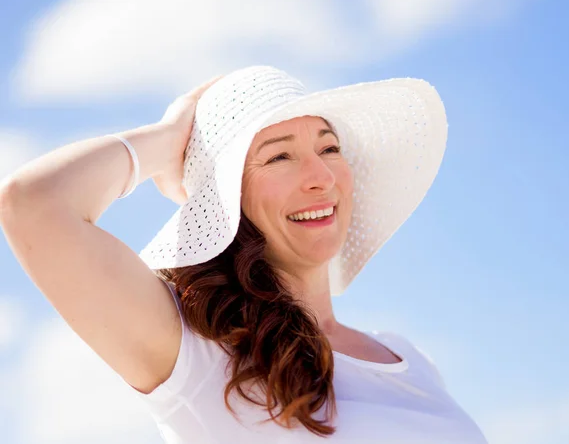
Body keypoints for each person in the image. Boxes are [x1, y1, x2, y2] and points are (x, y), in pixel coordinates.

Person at [0, 66, 488, 443]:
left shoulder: (409, 357)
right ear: (225, 198)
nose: (320, 176)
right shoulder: (199, 353)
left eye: (330, 147)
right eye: (279, 156)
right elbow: (33, 204)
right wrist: (170, 140)